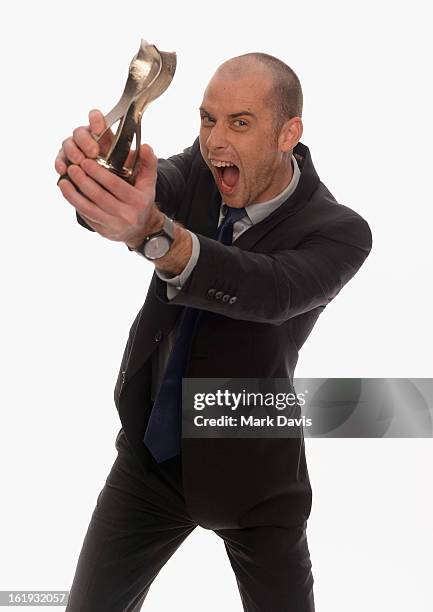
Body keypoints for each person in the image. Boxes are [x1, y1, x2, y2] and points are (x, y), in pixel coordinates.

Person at [55, 52, 372, 611]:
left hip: (252, 472)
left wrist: (154, 235)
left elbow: (267, 290)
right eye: (207, 119)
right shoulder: (201, 173)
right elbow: (149, 194)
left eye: (240, 123)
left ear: (288, 132)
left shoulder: (340, 231)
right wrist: (98, 180)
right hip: (150, 455)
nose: (214, 141)